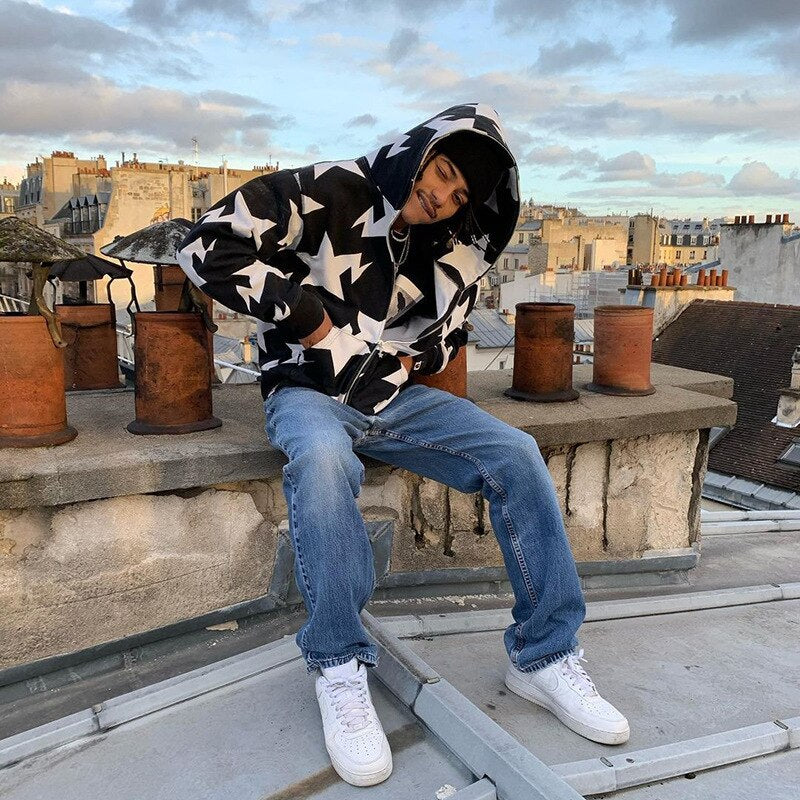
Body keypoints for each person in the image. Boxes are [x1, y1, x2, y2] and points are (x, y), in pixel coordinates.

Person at [177, 103, 629, 788]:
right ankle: (338, 663)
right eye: (442, 172)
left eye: (460, 195)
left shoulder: (452, 250)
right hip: (307, 390)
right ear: (417, 151)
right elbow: (204, 245)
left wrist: (415, 356)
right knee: (323, 461)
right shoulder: (332, 190)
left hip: (391, 399)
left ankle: (545, 656)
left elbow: (447, 338)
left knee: (515, 453)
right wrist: (307, 317)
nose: (443, 196)